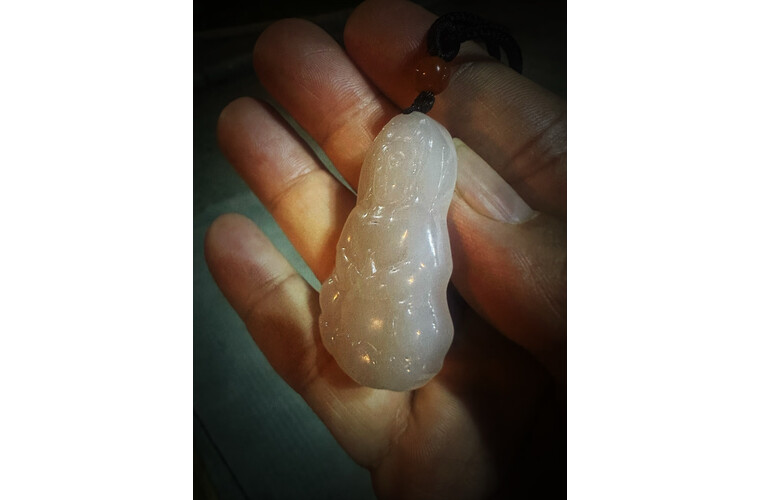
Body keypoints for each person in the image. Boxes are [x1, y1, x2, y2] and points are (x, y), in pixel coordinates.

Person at [205, 0, 566, 497]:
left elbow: (422, 264)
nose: (395, 173)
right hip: (361, 321)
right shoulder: (376, 209)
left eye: (402, 167)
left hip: (406, 326)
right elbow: (353, 260)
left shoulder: (421, 204)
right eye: (390, 164)